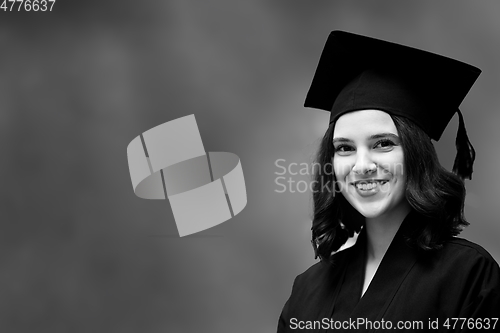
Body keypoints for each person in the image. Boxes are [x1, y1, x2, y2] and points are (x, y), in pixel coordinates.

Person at [277, 31, 500, 332]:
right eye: (345, 148)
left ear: (416, 156)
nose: (362, 165)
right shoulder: (307, 290)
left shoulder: (469, 274)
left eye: (383, 143)